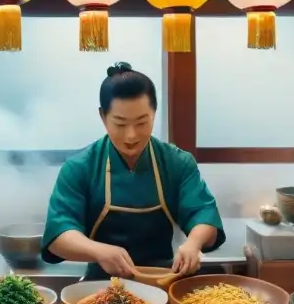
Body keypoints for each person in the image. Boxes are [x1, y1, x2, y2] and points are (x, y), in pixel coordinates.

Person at [41, 62, 225, 280]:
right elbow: (59, 235)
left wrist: (193, 243)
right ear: (103, 117)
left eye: (141, 123)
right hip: (102, 285)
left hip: (164, 280)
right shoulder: (80, 167)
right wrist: (98, 251)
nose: (131, 136)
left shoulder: (177, 162)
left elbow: (204, 215)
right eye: (120, 124)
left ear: (154, 114)